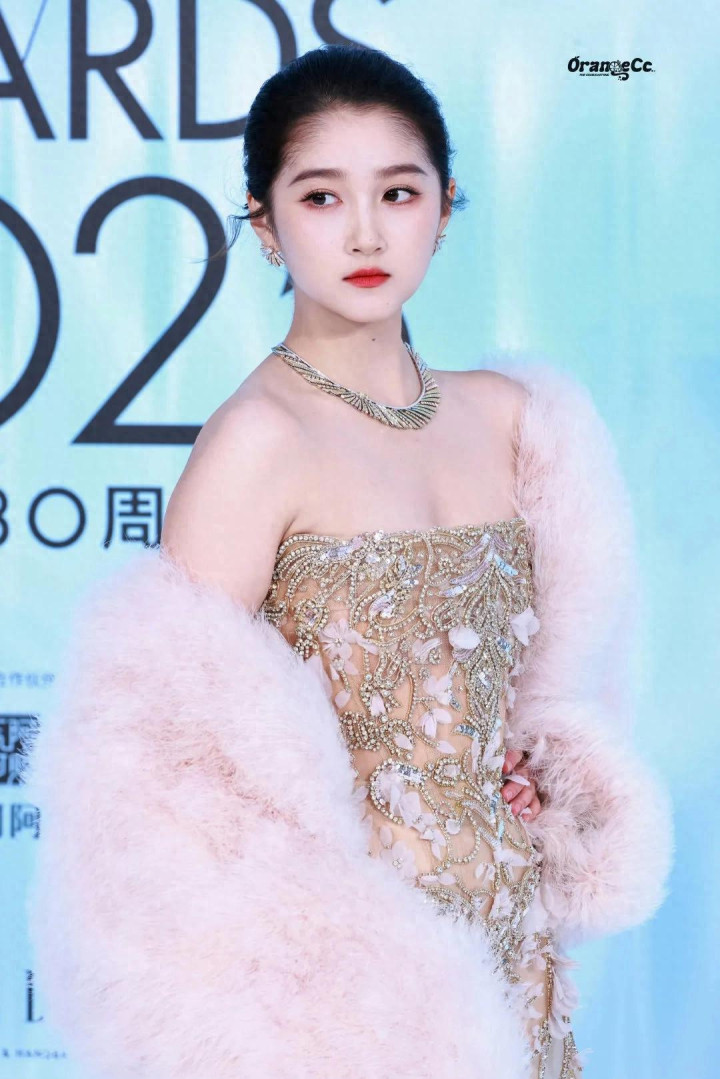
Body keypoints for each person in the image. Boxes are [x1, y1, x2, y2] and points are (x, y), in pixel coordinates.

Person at [25, 44, 673, 1079]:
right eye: (322, 196)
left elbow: (541, 692)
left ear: (445, 207)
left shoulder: (517, 421)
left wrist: (540, 777)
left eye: (398, 192)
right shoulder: (258, 442)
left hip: (512, 948)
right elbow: (160, 782)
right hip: (349, 997)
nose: (366, 232)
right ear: (264, 222)